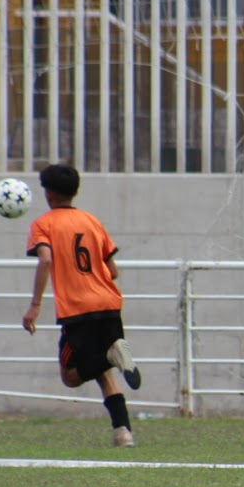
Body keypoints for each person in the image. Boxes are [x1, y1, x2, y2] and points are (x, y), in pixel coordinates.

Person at [21, 163, 144, 448]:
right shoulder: (91, 221)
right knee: (102, 370)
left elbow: (46, 260)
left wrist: (35, 305)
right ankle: (123, 432)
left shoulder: (43, 225)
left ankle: (112, 357)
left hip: (77, 309)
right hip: (108, 303)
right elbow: (112, 270)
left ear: (49, 194)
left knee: (72, 376)